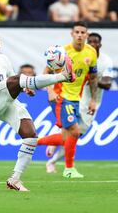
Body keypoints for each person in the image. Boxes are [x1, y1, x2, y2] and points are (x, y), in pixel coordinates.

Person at [0, 23, 75, 191]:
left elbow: (14, 81)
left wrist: (26, 88)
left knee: (30, 135)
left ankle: (15, 180)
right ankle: (63, 76)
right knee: (17, 79)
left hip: (7, 100)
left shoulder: (3, 58)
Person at [45, 32, 113, 173]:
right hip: (76, 97)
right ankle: (53, 149)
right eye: (91, 42)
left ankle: (52, 158)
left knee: (76, 135)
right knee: (72, 130)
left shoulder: (106, 61)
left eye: (96, 42)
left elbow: (107, 84)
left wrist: (92, 79)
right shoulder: (78, 55)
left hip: (93, 102)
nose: (93, 44)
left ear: (100, 44)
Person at [37, 21, 98, 178]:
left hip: (75, 98)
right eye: (76, 32)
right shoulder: (63, 51)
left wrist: (93, 99)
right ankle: (69, 169)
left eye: (82, 32)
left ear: (87, 34)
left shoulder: (91, 53)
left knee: (67, 137)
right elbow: (46, 71)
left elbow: (92, 78)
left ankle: (33, 141)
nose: (79, 35)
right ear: (72, 34)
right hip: (60, 96)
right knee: (75, 132)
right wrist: (49, 90)